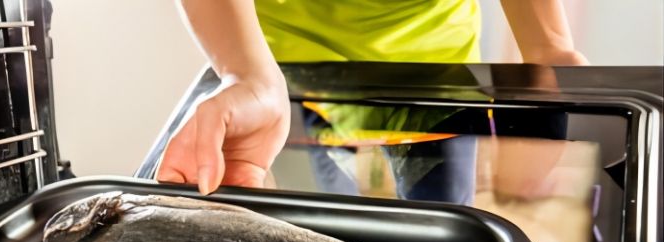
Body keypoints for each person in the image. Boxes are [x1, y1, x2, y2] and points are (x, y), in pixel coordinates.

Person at [156, 0, 588, 196]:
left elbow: (548, 49)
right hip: (284, 70)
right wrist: (247, 74)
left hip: (435, 72)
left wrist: (547, 49)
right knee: (329, 221)